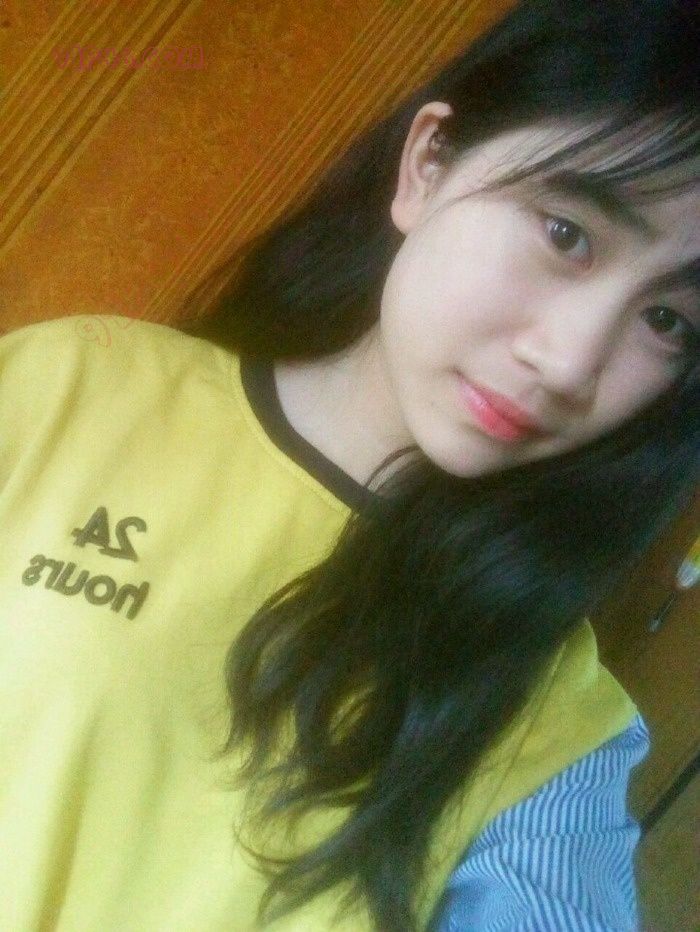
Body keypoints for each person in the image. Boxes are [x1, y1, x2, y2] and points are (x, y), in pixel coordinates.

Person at [0, 0, 697, 929]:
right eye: (566, 233)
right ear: (426, 166)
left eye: (668, 321)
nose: (571, 363)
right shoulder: (73, 388)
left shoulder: (552, 727)